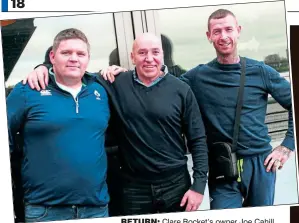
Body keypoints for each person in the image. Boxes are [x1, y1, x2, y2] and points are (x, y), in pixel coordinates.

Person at [91, 9, 295, 209]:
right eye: (217, 31)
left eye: (228, 29)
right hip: (222, 163)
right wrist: (126, 75)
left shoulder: (261, 72)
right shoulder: (197, 77)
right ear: (209, 36)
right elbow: (161, 87)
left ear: (238, 31)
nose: (223, 36)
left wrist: (287, 145)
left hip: (260, 163)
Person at [23, 32, 209, 215]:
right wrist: (44, 67)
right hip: (133, 189)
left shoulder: (181, 89)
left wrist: (199, 186)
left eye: (155, 52)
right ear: (132, 57)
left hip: (176, 184)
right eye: (142, 53)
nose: (149, 58)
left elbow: (198, 139)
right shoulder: (115, 82)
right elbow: (75, 71)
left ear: (163, 55)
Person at [7, 28, 111, 222]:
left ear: (88, 58)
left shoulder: (101, 90)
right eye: (66, 53)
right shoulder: (27, 90)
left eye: (80, 54)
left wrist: (117, 70)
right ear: (52, 57)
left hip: (95, 209)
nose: (74, 58)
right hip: (45, 211)